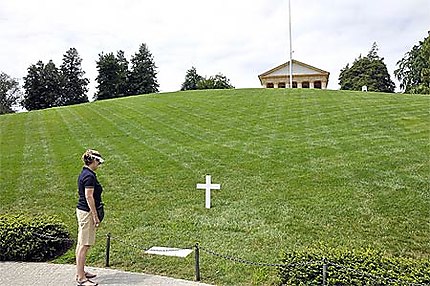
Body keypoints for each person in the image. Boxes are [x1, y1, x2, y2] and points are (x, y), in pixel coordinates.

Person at [75, 149, 105, 286]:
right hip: (87, 213)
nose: (99, 165)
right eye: (98, 162)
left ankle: (80, 271)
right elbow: (89, 196)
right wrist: (95, 215)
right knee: (84, 245)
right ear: (93, 161)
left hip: (82, 211)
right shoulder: (89, 177)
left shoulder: (85, 173)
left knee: (81, 243)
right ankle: (81, 277)